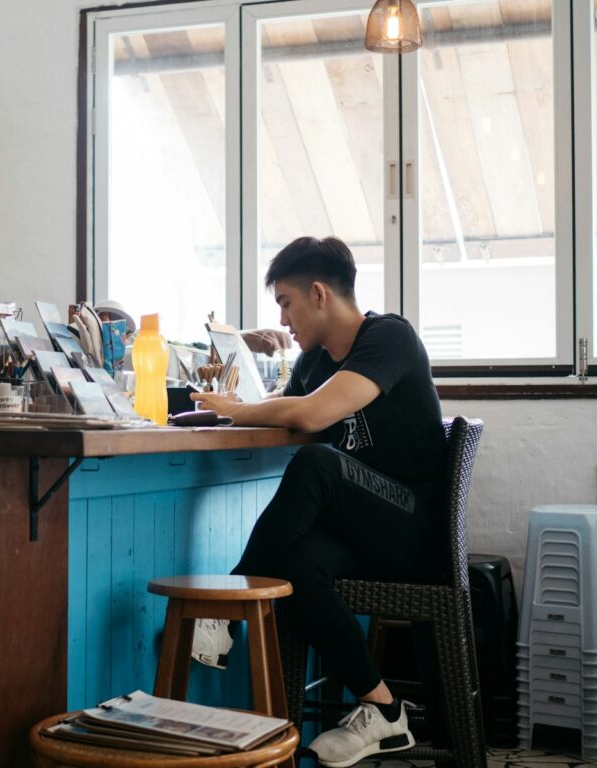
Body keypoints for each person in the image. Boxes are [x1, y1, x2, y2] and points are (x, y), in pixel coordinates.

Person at [190, 236, 447, 768]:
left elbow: (307, 416)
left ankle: (229, 607)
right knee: (294, 563)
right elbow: (285, 406)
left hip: (412, 530)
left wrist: (235, 410)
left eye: (286, 302)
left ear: (318, 293)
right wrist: (236, 407)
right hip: (362, 532)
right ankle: (383, 710)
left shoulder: (389, 338)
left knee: (317, 464)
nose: (283, 319)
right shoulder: (313, 361)